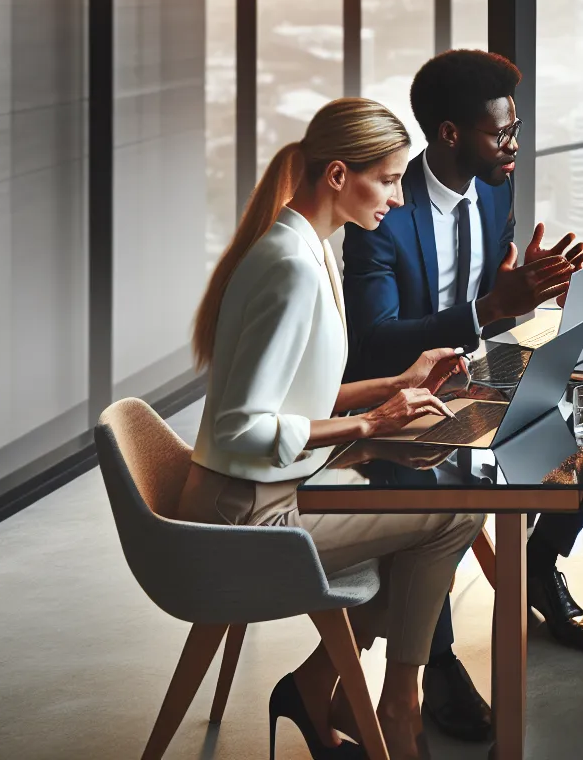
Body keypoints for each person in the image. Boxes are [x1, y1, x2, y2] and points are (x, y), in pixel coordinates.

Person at [177, 98, 484, 760]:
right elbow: (240, 428)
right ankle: (398, 707)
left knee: (427, 519)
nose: (399, 200)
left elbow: (299, 392)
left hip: (260, 493)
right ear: (339, 175)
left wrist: (399, 382)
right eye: (391, 178)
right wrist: (371, 424)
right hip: (245, 519)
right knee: (455, 513)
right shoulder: (291, 267)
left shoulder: (304, 247)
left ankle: (322, 689)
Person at [340, 51, 583, 743]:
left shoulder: (495, 190)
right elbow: (375, 340)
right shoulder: (384, 214)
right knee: (432, 501)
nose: (514, 144)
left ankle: (540, 568)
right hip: (401, 402)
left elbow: (496, 302)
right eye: (500, 133)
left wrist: (531, 287)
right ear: (449, 134)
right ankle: (438, 661)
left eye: (516, 129)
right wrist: (488, 307)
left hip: (480, 377)